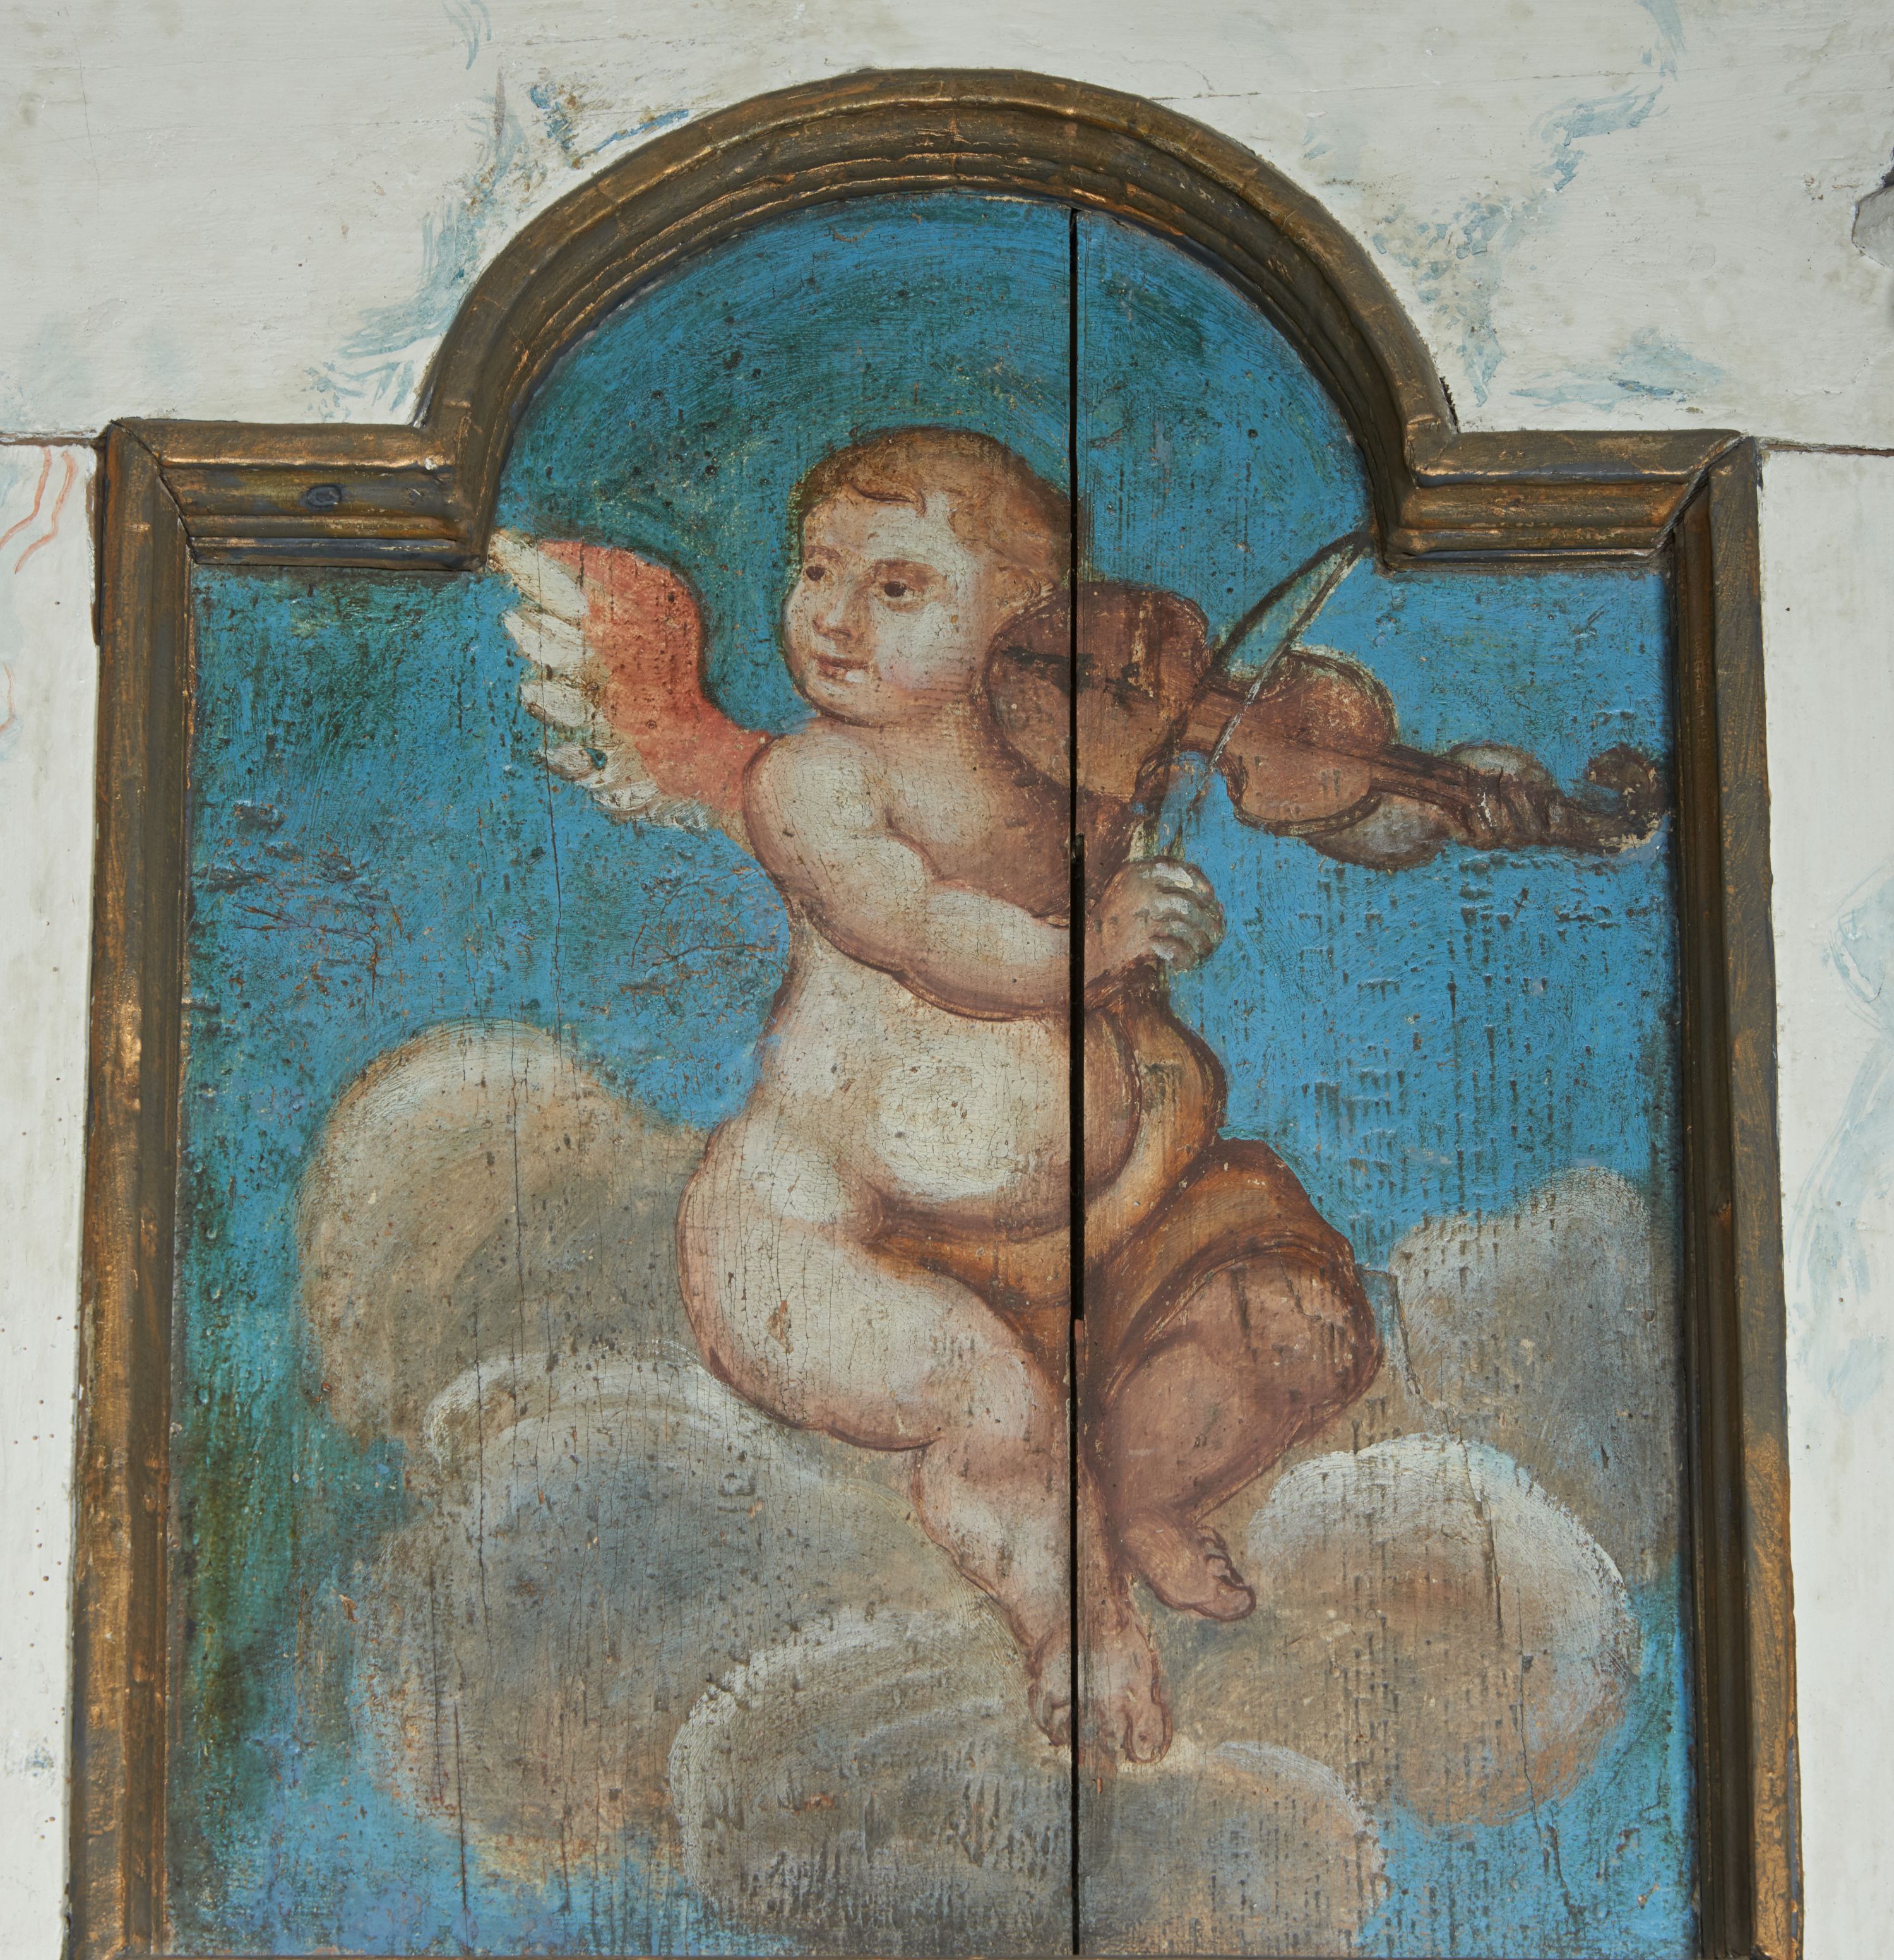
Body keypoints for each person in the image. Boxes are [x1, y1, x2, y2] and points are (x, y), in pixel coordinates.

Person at [495, 424, 1657, 1762]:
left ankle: (1149, 1497)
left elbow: (1319, 784)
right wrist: (1091, 947)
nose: (833, 618)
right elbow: (920, 930)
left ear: (1026, 617)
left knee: (1298, 1326)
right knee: (995, 1403)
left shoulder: (1102, 726)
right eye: (819, 570)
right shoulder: (818, 782)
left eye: (896, 587)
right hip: (828, 1236)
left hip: (1103, 1222)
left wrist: (1451, 797)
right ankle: (1082, 1625)